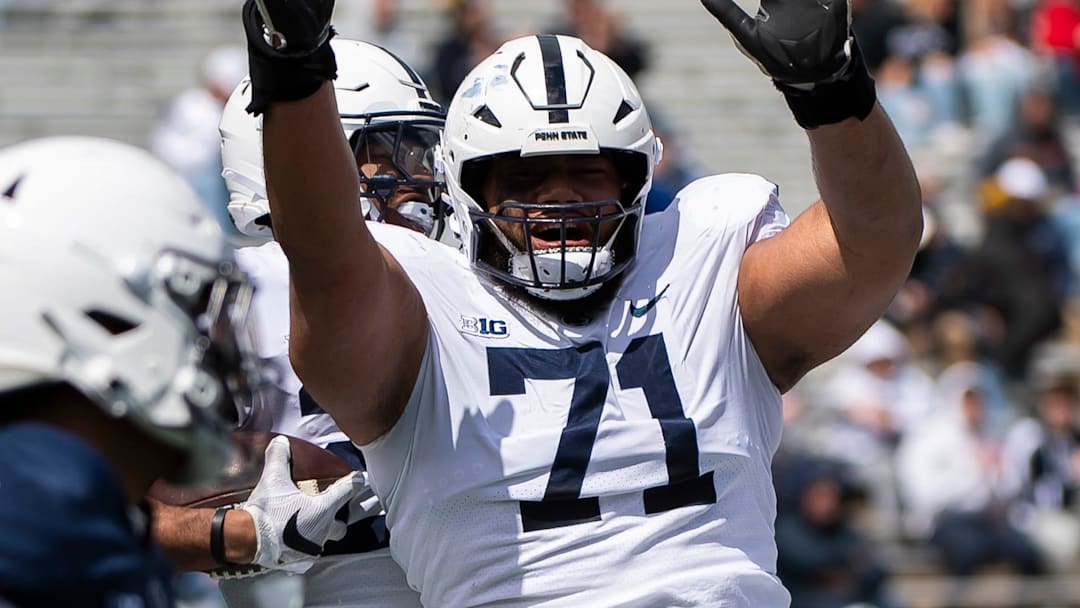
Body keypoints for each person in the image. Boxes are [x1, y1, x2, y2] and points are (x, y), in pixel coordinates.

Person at [241, 0, 921, 604]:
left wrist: (833, 93)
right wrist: (294, 72)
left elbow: (873, 246)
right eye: (526, 177)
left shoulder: (702, 262)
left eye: (588, 170)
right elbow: (326, 259)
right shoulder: (421, 307)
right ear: (467, 186)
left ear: (637, 176)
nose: (560, 197)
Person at [150, 38, 447, 608]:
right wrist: (240, 533)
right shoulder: (230, 300)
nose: (420, 178)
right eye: (393, 152)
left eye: (422, 153)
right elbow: (95, 505)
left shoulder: (460, 277)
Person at [0, 136, 262, 605]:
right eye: (194, 305)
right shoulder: (38, 511)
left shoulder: (70, 499)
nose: (216, 344)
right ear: (105, 320)